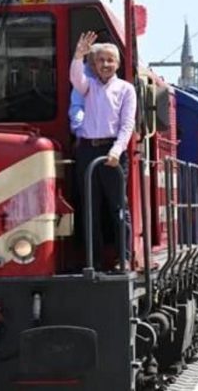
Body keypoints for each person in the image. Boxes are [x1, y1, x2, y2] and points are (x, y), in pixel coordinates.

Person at [69, 31, 135, 270]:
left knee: (119, 206)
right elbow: (76, 79)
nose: (106, 64)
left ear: (117, 64)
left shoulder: (126, 89)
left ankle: (124, 257)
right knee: (90, 207)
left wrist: (117, 151)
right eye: (101, 60)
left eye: (110, 60)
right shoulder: (89, 88)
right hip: (88, 150)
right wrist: (78, 55)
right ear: (94, 65)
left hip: (112, 150)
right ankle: (93, 260)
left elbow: (127, 125)